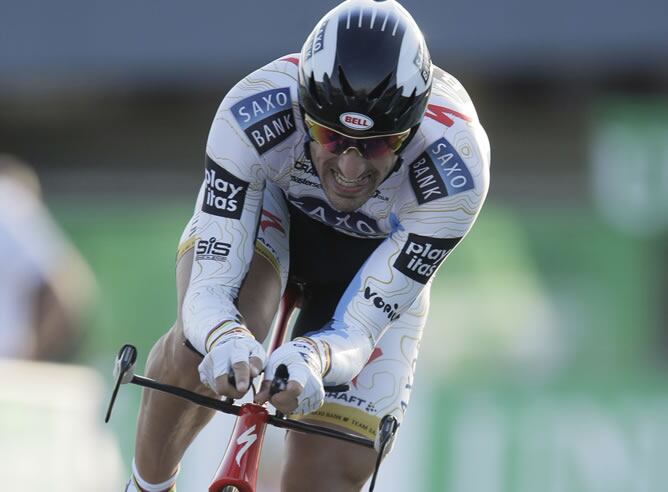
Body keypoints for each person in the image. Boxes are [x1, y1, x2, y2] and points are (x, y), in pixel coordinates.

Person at [127, 1, 490, 490]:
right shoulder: (252, 110)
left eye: (381, 144)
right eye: (330, 137)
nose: (351, 168)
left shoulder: (456, 169)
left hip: (372, 258)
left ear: (412, 130)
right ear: (303, 110)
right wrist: (221, 337)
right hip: (275, 214)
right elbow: (207, 291)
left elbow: (359, 329)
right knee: (207, 342)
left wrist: (315, 357)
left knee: (332, 464)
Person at [0, 154, 96, 361]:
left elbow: (65, 289)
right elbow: (66, 291)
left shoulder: (6, 199)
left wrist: (28, 365)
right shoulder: (7, 198)